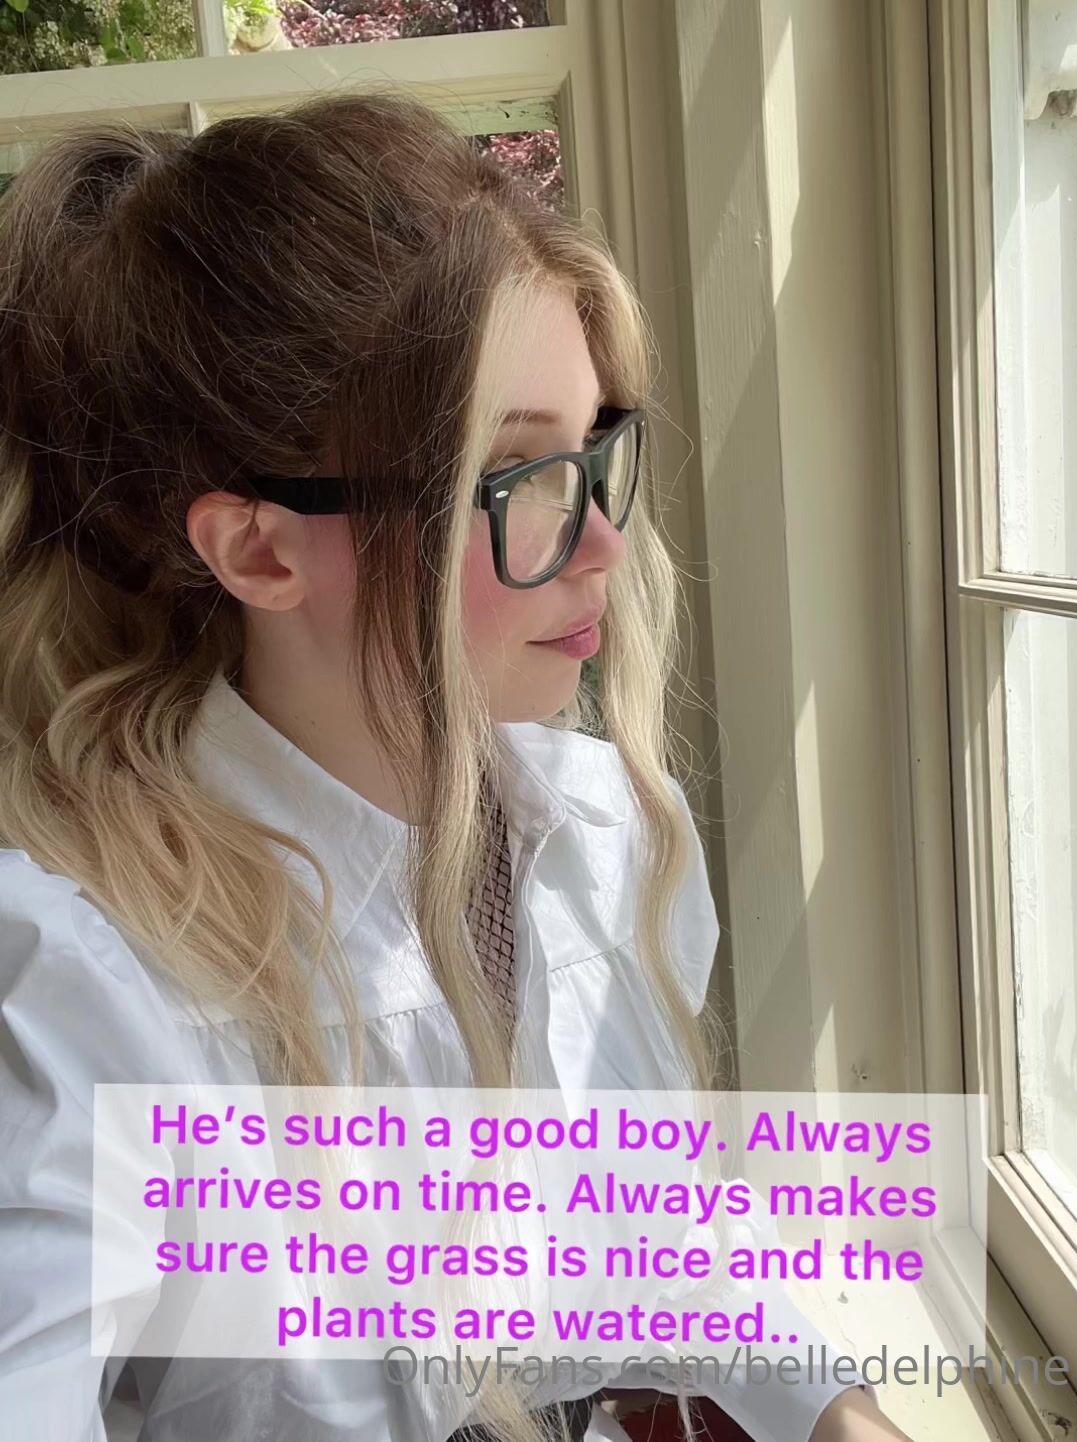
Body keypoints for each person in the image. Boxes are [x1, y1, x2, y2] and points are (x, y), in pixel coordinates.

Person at [0, 90, 911, 1442]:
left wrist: (838, 1409)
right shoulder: (85, 986)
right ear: (258, 549)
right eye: (513, 476)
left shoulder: (606, 835)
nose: (603, 545)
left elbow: (657, 1224)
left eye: (592, 451)